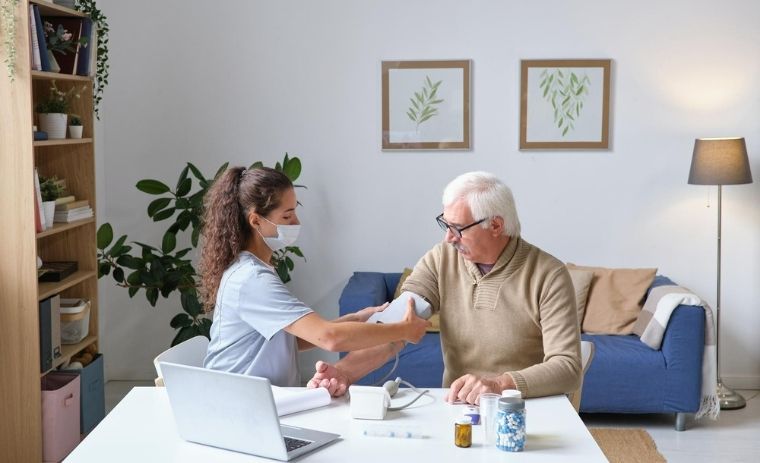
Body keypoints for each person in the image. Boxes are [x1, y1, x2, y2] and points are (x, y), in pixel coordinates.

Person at [307, 171, 581, 404]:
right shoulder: (441, 259)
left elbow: (567, 367)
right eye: (445, 224)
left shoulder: (549, 275)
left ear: (496, 225)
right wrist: (344, 372)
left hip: (522, 407)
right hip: (460, 405)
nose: (449, 238)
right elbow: (396, 329)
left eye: (458, 228)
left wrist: (498, 385)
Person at [199, 166, 429, 387]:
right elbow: (329, 338)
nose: (297, 223)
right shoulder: (252, 279)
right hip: (239, 401)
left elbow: (292, 340)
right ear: (256, 220)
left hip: (257, 397)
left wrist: (357, 318)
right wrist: (403, 330)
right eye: (287, 216)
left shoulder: (255, 270)